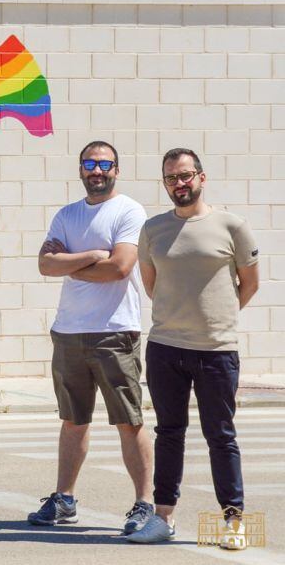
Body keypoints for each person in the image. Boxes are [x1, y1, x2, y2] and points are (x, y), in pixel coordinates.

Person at [127, 149, 259, 548]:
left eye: (185, 176)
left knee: (221, 435)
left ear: (201, 177)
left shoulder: (232, 226)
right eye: (171, 178)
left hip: (216, 351)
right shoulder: (153, 230)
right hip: (166, 348)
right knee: (169, 433)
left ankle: (233, 522)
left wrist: (216, 319)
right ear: (165, 183)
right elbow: (151, 284)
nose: (179, 184)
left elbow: (249, 284)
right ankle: (163, 518)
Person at [30, 141, 154, 534]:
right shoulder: (67, 215)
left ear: (117, 169)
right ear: (80, 169)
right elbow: (45, 264)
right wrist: (91, 255)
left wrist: (72, 262)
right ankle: (64, 499)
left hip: (115, 334)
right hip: (68, 333)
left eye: (104, 164)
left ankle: (144, 504)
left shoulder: (129, 210)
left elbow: (119, 267)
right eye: (89, 163)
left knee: (129, 422)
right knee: (72, 421)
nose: (96, 170)